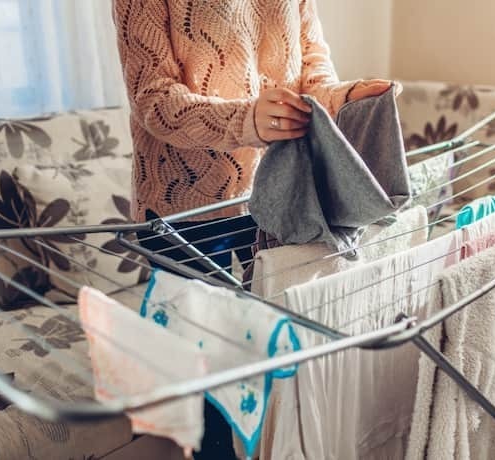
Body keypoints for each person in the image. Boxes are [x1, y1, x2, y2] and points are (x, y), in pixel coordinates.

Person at [112, 0, 398, 458]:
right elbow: (154, 100)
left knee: (266, 360)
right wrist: (244, 120)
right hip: (181, 210)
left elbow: (311, 80)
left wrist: (346, 97)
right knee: (203, 382)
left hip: (271, 198)